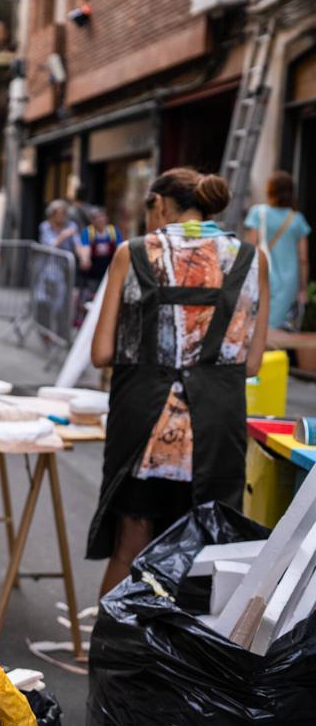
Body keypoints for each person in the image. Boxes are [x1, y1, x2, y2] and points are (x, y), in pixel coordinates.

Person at [90, 168, 269, 597]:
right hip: (215, 431)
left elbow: (100, 353)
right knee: (207, 554)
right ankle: (185, 660)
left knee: (130, 543)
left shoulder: (131, 254)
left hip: (145, 428)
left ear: (162, 206)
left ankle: (115, 655)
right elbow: (251, 365)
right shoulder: (250, 258)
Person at [244, 171, 311, 330]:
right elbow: (303, 258)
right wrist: (303, 289)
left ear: (269, 190)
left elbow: (250, 247)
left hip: (262, 275)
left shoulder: (258, 212)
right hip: (289, 282)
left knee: (257, 326)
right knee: (276, 328)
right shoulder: (297, 219)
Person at [76, 207, 123, 308]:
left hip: (108, 268)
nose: (100, 219)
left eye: (102, 217)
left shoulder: (113, 231)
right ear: (92, 220)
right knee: (90, 293)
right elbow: (85, 248)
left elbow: (120, 248)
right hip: (93, 270)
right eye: (97, 217)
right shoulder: (88, 232)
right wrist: (85, 259)